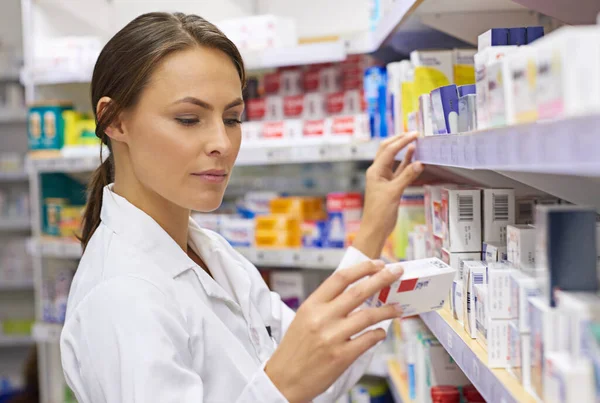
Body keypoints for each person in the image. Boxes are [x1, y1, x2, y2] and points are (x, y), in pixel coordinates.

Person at [59, 12, 423, 403]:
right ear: (114, 121)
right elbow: (292, 384)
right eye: (188, 119)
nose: (223, 142)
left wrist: (372, 231)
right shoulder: (122, 295)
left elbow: (321, 372)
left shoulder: (212, 255)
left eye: (232, 118)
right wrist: (280, 389)